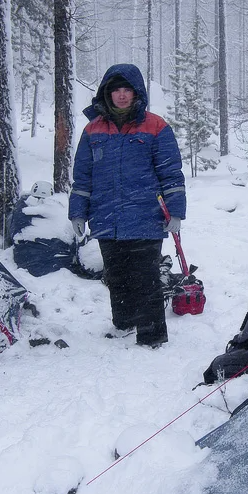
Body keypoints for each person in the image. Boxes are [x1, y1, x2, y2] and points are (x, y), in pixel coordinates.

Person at [69, 63, 186, 348]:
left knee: (146, 278)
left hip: (145, 215)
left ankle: (152, 335)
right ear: (106, 94)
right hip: (106, 217)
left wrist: (176, 211)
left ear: (137, 93)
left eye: (127, 90)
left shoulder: (156, 126)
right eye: (116, 90)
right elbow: (82, 176)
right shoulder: (92, 130)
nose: (121, 95)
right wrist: (77, 211)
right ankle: (124, 323)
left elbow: (171, 173)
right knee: (117, 275)